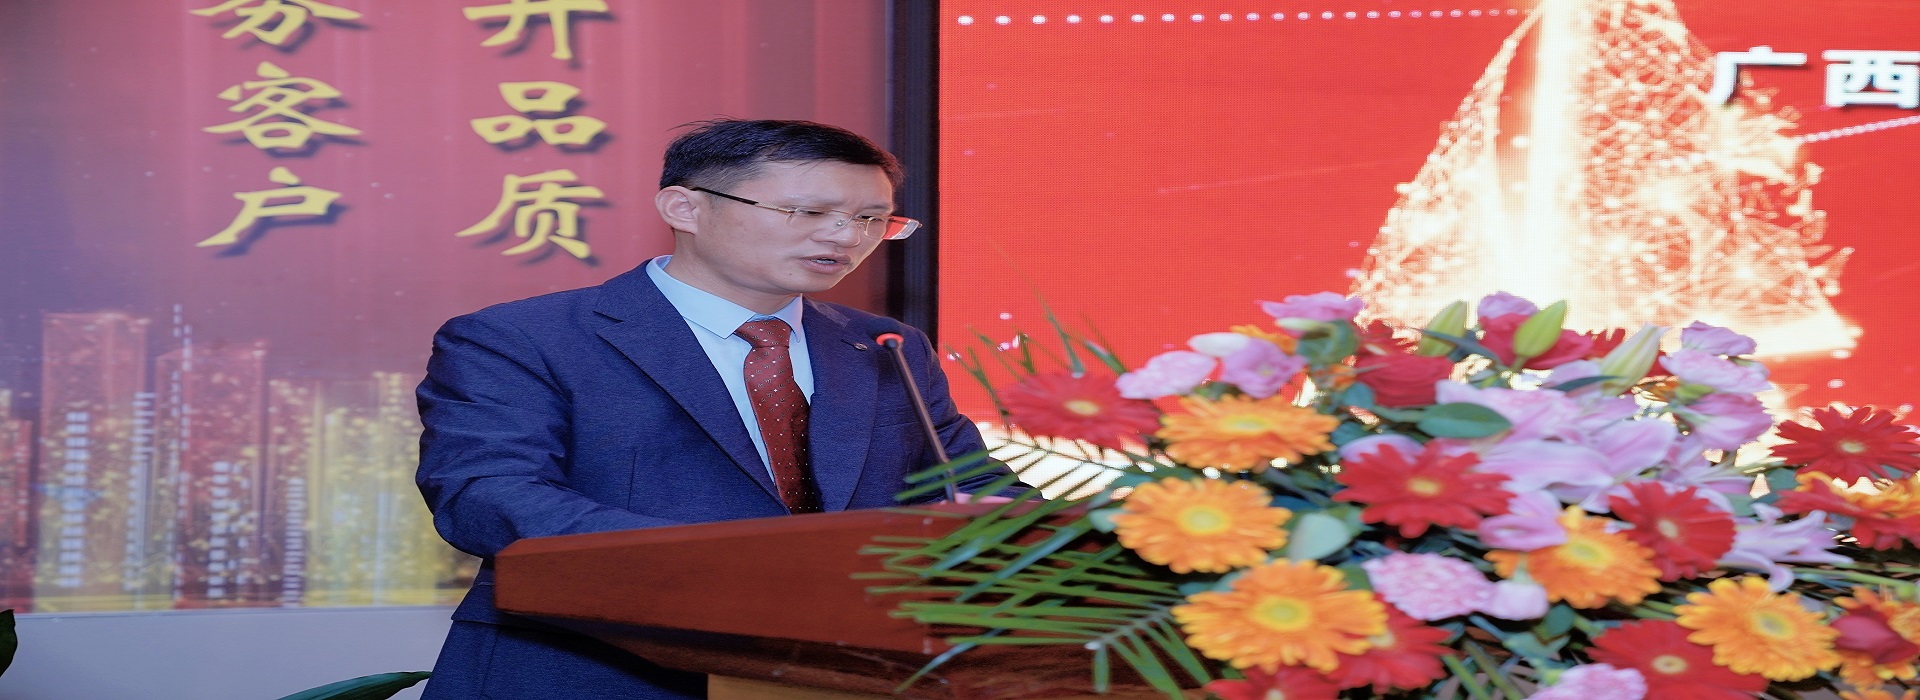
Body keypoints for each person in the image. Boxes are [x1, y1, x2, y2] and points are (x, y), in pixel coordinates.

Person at [414, 119, 1014, 699]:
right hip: (592, 667)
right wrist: (738, 566)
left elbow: (973, 491)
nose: (846, 237)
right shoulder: (523, 338)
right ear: (685, 208)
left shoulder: (888, 347)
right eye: (808, 212)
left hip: (850, 674)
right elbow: (487, 497)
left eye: (870, 219)